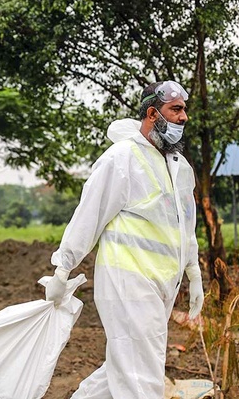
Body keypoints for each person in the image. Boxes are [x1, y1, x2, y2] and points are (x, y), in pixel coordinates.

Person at [45, 81, 204, 398]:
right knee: (141, 378)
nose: (184, 117)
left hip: (162, 283)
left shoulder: (179, 168)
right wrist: (62, 269)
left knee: (129, 365)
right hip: (127, 279)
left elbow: (185, 225)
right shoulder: (121, 158)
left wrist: (194, 272)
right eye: (176, 109)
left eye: (184, 109)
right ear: (151, 113)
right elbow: (89, 215)